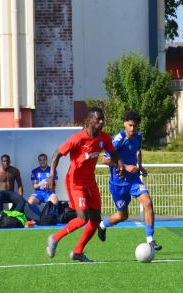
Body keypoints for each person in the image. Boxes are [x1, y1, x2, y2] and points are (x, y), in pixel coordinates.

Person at [45, 107, 124, 263]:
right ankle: (54, 238)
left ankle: (77, 251)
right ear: (89, 121)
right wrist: (51, 175)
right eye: (98, 119)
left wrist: (120, 164)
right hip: (75, 183)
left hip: (90, 182)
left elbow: (113, 152)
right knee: (82, 219)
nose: (101, 122)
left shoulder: (103, 138)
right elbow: (57, 154)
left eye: (103, 119)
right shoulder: (78, 139)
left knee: (95, 220)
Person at [98, 110, 162, 250]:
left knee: (147, 202)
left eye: (135, 126)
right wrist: (125, 166)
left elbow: (138, 151)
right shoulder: (118, 139)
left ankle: (150, 239)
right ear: (124, 124)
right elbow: (104, 160)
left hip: (133, 179)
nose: (132, 129)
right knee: (123, 215)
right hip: (118, 183)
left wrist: (140, 166)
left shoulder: (138, 137)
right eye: (130, 125)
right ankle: (102, 225)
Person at [27, 153, 58, 219]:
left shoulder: (52, 170)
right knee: (30, 202)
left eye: (44, 160)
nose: (42, 161)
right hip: (39, 193)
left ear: (46, 160)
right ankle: (41, 215)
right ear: (39, 161)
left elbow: (55, 185)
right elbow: (34, 186)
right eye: (40, 160)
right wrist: (40, 184)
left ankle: (50, 217)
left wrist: (50, 186)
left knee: (55, 202)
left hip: (49, 192)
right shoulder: (34, 171)